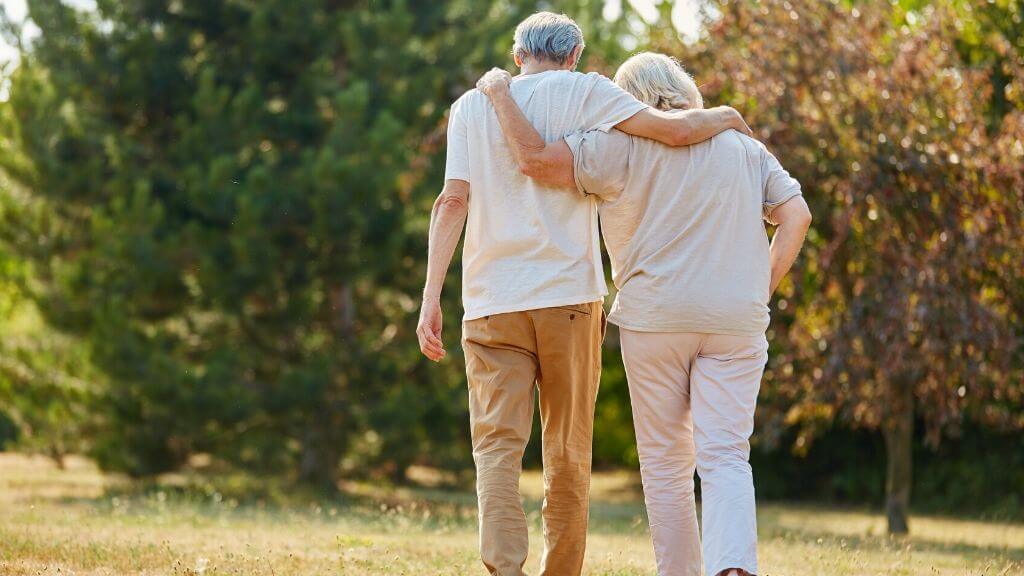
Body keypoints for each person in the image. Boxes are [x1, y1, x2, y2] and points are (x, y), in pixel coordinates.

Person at [415, 12, 752, 576]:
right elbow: (673, 131)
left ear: (517, 53)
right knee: (567, 451)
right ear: (574, 55)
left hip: (490, 301)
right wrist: (727, 114)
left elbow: (452, 202)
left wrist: (430, 299)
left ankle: (503, 569)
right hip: (569, 299)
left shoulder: (471, 106)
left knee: (496, 448)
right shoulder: (590, 91)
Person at [475, 52, 812, 576]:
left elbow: (535, 160)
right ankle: (733, 567)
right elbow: (796, 215)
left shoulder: (615, 146)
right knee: (725, 455)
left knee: (665, 466)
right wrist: (760, 288)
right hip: (735, 321)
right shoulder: (746, 148)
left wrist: (499, 93)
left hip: (654, 320)